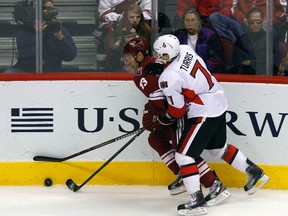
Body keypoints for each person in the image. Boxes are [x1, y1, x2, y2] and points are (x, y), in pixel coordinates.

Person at [153, 34, 270, 215]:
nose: (157, 56)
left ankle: (196, 201)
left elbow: (178, 110)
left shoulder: (168, 77)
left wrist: (164, 117)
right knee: (218, 148)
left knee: (183, 156)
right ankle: (254, 172)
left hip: (203, 111)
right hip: (218, 101)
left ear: (166, 55)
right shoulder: (185, 49)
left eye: (159, 54)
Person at [123, 37, 231, 204]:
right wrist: (154, 113)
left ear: (138, 56)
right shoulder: (156, 63)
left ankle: (213, 183)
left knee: (184, 151)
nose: (127, 62)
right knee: (155, 139)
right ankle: (184, 175)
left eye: (128, 58)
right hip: (179, 111)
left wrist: (156, 116)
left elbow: (165, 102)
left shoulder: (145, 74)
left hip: (181, 113)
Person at [5, 0, 77, 73]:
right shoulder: (24, 31)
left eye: (53, 8)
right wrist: (38, 35)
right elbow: (26, 56)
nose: (53, 12)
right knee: (9, 73)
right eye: (48, 8)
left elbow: (70, 56)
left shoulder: (58, 29)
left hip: (51, 74)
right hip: (27, 72)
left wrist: (60, 38)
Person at [97, 0, 151, 71]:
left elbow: (149, 12)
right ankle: (114, 68)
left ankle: (143, 68)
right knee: (110, 41)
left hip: (139, 22)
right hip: (115, 23)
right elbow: (103, 13)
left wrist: (135, 18)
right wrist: (122, 18)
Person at [173, 8, 225, 74]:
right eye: (187, 20)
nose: (190, 23)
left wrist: (200, 70)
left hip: (205, 73)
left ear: (199, 22)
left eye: (193, 20)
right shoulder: (178, 36)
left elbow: (216, 58)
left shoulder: (210, 35)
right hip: (183, 73)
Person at [244, 7, 281, 75]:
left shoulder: (270, 39)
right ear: (246, 22)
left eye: (258, 22)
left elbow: (275, 63)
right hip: (245, 79)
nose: (255, 24)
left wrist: (251, 63)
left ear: (264, 21)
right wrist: (260, 62)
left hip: (267, 78)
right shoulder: (241, 40)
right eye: (252, 22)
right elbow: (240, 63)